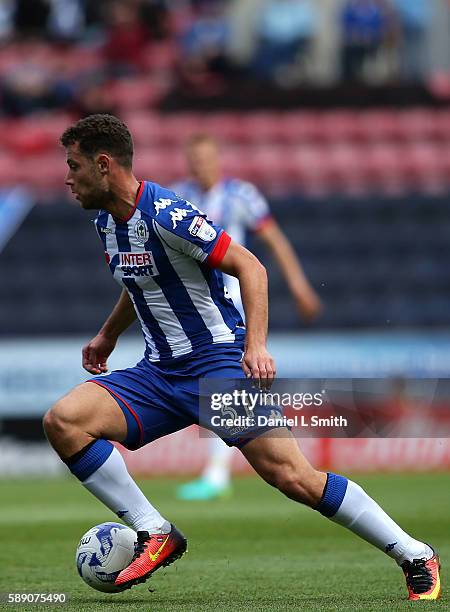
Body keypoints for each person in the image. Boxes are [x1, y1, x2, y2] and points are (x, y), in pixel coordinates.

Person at [43, 114, 441, 599]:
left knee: (291, 476)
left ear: (103, 165)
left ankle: (414, 553)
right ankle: (155, 530)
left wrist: (254, 345)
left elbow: (250, 266)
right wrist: (107, 335)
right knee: (65, 421)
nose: (67, 178)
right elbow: (141, 280)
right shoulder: (107, 220)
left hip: (218, 365)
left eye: (74, 165)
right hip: (159, 372)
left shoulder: (167, 213)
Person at [172, 133, 322, 501]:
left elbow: (275, 241)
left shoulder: (241, 195)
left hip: (232, 305)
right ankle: (249, 463)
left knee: (224, 386)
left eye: (206, 159)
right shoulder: (175, 199)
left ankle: (222, 472)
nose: (200, 166)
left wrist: (299, 285)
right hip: (194, 306)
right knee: (225, 389)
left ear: (217, 160)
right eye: (195, 160)